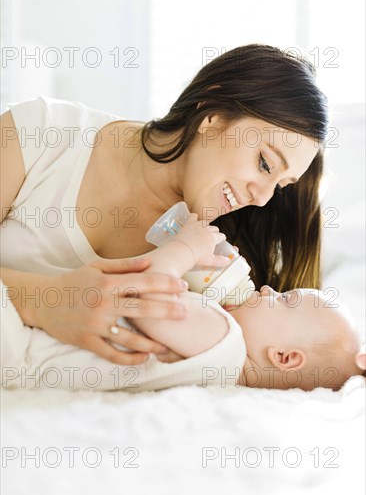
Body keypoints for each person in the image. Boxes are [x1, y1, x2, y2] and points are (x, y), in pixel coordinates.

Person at [0, 42, 358, 366]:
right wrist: (44, 301)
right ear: (212, 113)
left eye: (279, 186)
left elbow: (306, 352)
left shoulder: (215, 257)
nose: (262, 198)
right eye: (264, 163)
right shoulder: (41, 134)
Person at [2, 213, 364, 392]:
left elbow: (147, 297)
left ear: (284, 357)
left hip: (21, 346)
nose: (269, 290)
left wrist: (186, 249)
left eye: (285, 299)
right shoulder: (217, 365)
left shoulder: (225, 342)